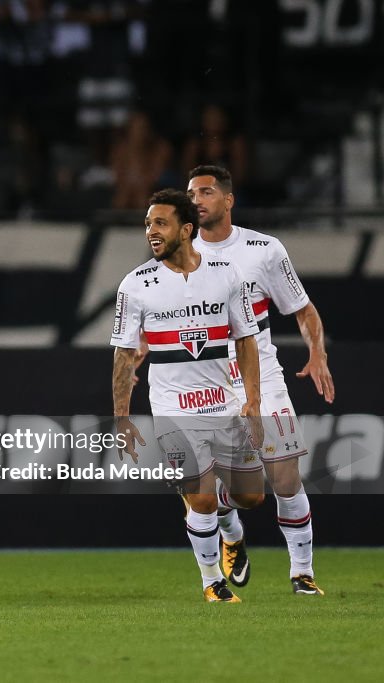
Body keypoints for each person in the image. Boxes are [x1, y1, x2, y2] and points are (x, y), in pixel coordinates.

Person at [111, 189, 264, 603]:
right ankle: (212, 581)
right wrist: (121, 417)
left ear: (187, 229)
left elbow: (247, 339)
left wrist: (253, 400)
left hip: (224, 403)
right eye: (147, 225)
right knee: (199, 496)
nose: (151, 232)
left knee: (251, 496)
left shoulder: (225, 273)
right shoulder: (136, 284)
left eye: (160, 224)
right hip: (172, 409)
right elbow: (125, 355)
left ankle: (230, 524)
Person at [188, 164, 331, 596]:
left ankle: (301, 573)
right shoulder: (178, 253)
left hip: (263, 376)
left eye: (206, 192)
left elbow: (302, 308)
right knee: (226, 492)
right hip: (208, 380)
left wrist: (317, 352)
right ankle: (232, 535)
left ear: (228, 200)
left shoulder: (262, 249)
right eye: (191, 193)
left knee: (285, 478)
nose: (196, 200)